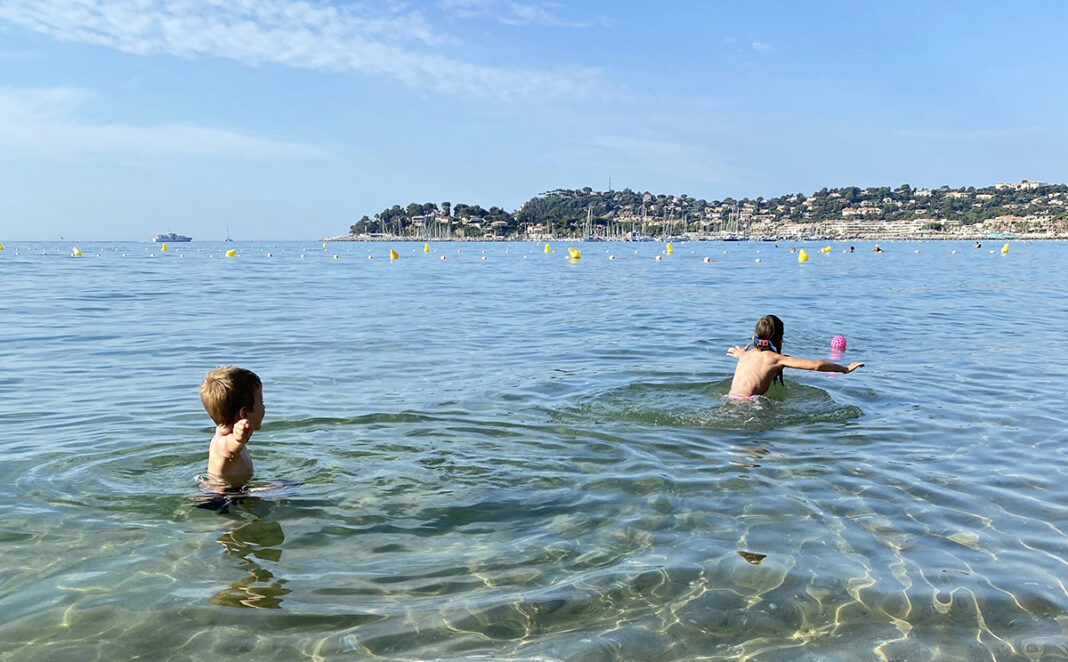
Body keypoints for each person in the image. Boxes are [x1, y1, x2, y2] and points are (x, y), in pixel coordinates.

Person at [726, 315, 864, 398]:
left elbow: (744, 356)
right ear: (780, 340)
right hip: (749, 404)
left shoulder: (745, 355)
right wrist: (844, 369)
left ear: (754, 337)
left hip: (730, 398)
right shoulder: (776, 359)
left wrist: (739, 353)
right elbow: (817, 365)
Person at [200, 365, 265, 489]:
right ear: (244, 414)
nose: (264, 407)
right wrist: (237, 439)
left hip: (234, 491)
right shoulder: (222, 441)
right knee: (287, 486)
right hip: (224, 497)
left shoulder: (221, 430)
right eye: (261, 402)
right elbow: (229, 447)